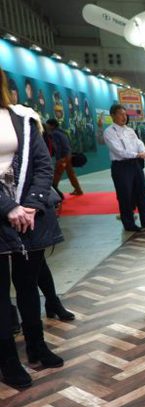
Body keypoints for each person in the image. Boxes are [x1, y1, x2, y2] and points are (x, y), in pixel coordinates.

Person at [0, 67, 65, 389]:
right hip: (4, 213)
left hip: (30, 215)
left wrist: (30, 205)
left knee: (28, 286)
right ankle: (8, 361)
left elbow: (42, 163)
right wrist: (7, 207)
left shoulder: (23, 118)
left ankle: (37, 346)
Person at [103, 104, 145, 232]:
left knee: (142, 193)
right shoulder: (109, 132)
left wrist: (143, 151)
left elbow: (139, 143)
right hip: (121, 166)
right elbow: (118, 151)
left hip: (135, 164)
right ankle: (129, 224)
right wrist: (137, 154)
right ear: (113, 116)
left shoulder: (129, 130)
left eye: (125, 114)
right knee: (125, 196)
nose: (124, 117)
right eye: (120, 114)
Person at [46, 118, 83, 196]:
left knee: (57, 173)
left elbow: (58, 147)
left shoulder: (54, 133)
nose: (47, 126)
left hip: (63, 157)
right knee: (70, 173)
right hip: (68, 155)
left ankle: (53, 191)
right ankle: (78, 190)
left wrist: (59, 159)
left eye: (48, 125)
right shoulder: (63, 132)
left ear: (52, 125)